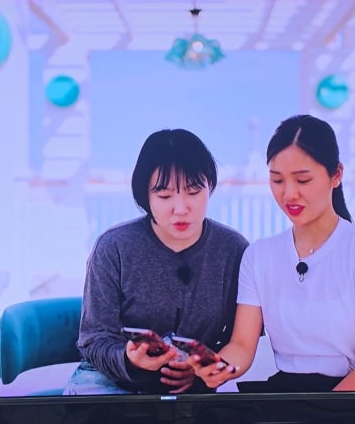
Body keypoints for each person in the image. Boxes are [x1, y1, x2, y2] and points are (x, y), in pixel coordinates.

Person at [188, 114, 355, 392]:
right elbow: (242, 346)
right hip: (287, 393)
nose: (289, 194)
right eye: (277, 180)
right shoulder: (259, 256)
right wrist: (219, 368)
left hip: (352, 397)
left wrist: (317, 411)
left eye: (302, 180)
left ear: (336, 175)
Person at [63, 128, 249, 395]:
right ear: (145, 196)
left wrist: (202, 370)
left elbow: (238, 341)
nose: (181, 208)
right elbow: (93, 340)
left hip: (190, 391)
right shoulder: (113, 247)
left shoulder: (233, 249)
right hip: (110, 381)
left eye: (194, 192)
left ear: (210, 187)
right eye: (164, 196)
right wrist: (129, 359)